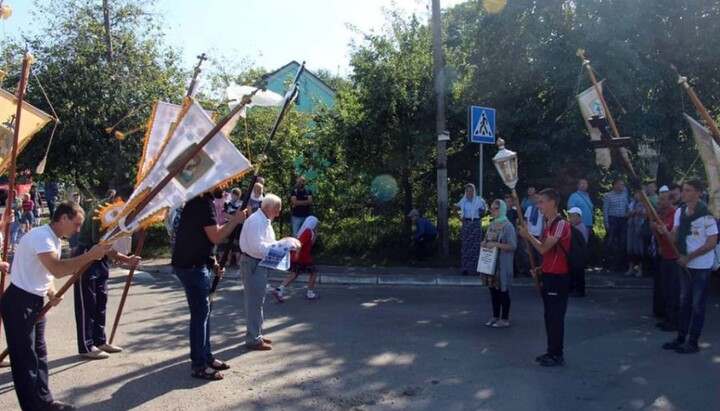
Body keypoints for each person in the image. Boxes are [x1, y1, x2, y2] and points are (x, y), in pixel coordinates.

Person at [1, 201, 110, 410]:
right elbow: (58, 269)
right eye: (76, 224)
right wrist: (89, 256)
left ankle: (45, 402)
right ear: (63, 218)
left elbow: (47, 273)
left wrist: (51, 291)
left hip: (34, 300)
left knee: (39, 355)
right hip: (19, 302)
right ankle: (32, 407)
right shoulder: (42, 237)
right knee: (25, 359)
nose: (77, 230)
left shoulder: (53, 239)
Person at [171, 191, 247, 380]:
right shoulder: (202, 203)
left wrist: (212, 262)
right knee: (200, 315)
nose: (225, 187)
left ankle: (205, 356)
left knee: (203, 313)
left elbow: (199, 237)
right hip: (192, 267)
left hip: (195, 264)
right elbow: (216, 236)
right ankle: (199, 365)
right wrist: (235, 220)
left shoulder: (201, 201)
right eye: (222, 181)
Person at [73, 186, 141, 360]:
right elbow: (101, 244)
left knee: (101, 301)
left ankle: (100, 340)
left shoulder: (116, 212)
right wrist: (124, 259)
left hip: (100, 258)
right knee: (87, 304)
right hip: (87, 254)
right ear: (117, 199)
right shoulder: (102, 212)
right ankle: (86, 345)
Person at [659, 179, 717, 354]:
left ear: (698, 193)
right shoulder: (680, 211)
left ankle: (693, 341)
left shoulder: (707, 214)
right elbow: (675, 236)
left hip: (701, 266)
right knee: (684, 302)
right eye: (684, 190)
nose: (683, 193)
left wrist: (689, 257)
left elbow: (711, 242)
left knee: (697, 304)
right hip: (685, 263)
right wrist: (665, 232)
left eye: (688, 190)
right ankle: (681, 338)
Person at [239, 194, 300, 350]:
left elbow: (267, 244)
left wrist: (282, 244)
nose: (278, 213)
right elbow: (258, 247)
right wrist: (281, 244)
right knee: (254, 302)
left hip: (258, 262)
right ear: (267, 207)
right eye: (276, 210)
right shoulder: (256, 221)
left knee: (258, 300)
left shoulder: (263, 221)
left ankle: (256, 334)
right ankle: (253, 338)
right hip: (253, 262)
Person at [519, 188, 572, 367]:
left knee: (555, 317)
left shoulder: (560, 224)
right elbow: (550, 255)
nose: (538, 205)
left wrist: (528, 236)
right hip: (549, 276)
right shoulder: (548, 224)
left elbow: (543, 249)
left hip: (558, 278)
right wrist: (541, 269)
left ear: (552, 203)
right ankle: (551, 351)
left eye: (541, 202)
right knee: (549, 316)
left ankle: (557, 354)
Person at [481, 199, 516, 328]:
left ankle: (505, 318)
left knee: (503, 291)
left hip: (502, 264)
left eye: (495, 208)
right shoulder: (491, 224)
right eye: (491, 209)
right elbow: (486, 239)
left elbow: (512, 246)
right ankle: (495, 316)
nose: (493, 211)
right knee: (493, 290)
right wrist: (484, 243)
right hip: (491, 263)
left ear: (501, 209)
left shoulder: (508, 226)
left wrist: (496, 245)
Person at [650, 188, 679, 332]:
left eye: (663, 199)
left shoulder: (676, 215)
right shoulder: (660, 215)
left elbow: (675, 235)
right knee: (666, 289)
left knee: (673, 290)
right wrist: (654, 228)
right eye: (659, 199)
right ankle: (668, 317)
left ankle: (675, 320)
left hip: (674, 257)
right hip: (664, 255)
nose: (660, 202)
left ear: (670, 201)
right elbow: (658, 234)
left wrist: (663, 230)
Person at [273, 216, 320, 302]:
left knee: (294, 274)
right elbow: (300, 243)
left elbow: (311, 243)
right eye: (316, 224)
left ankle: (279, 290)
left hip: (300, 256)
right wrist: (297, 254)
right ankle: (310, 293)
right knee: (314, 272)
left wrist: (316, 234)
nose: (317, 225)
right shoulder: (308, 232)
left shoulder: (307, 231)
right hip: (303, 257)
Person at [454, 183, 486, 276]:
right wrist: (460, 219)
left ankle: (476, 268)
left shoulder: (478, 200)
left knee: (476, 245)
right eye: (467, 191)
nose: (469, 193)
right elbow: (455, 209)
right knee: (466, 246)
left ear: (474, 191)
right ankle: (465, 268)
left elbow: (483, 213)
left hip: (475, 223)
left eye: (471, 191)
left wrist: (481, 213)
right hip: (467, 223)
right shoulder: (463, 200)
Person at [603, 178, 629, 272]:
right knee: (611, 242)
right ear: (615, 185)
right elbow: (605, 209)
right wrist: (606, 222)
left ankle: (621, 264)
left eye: (623, 185)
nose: (622, 186)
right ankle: (608, 264)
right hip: (613, 219)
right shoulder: (608, 196)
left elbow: (627, 206)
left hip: (623, 219)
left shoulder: (625, 194)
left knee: (622, 242)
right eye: (620, 184)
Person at [568, 207, 589, 297]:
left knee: (579, 273)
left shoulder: (581, 228)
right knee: (572, 272)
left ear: (578, 217)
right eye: (570, 216)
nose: (571, 218)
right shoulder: (572, 227)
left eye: (573, 216)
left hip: (579, 254)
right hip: (573, 254)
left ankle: (579, 291)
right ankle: (573, 289)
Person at [625, 190, 647, 278]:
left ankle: (640, 269)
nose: (637, 195)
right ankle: (631, 268)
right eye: (636, 193)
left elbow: (648, 214)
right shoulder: (631, 204)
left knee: (640, 249)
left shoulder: (646, 204)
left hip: (641, 228)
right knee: (630, 248)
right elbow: (626, 214)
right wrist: (631, 213)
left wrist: (640, 212)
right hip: (631, 227)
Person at [524, 193, 544, 265]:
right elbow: (526, 221)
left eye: (537, 198)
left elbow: (543, 222)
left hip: (538, 233)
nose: (536, 199)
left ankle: (539, 267)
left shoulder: (542, 208)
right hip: (530, 233)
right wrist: (526, 232)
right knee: (531, 253)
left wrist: (542, 234)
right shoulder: (529, 208)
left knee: (539, 253)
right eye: (535, 198)